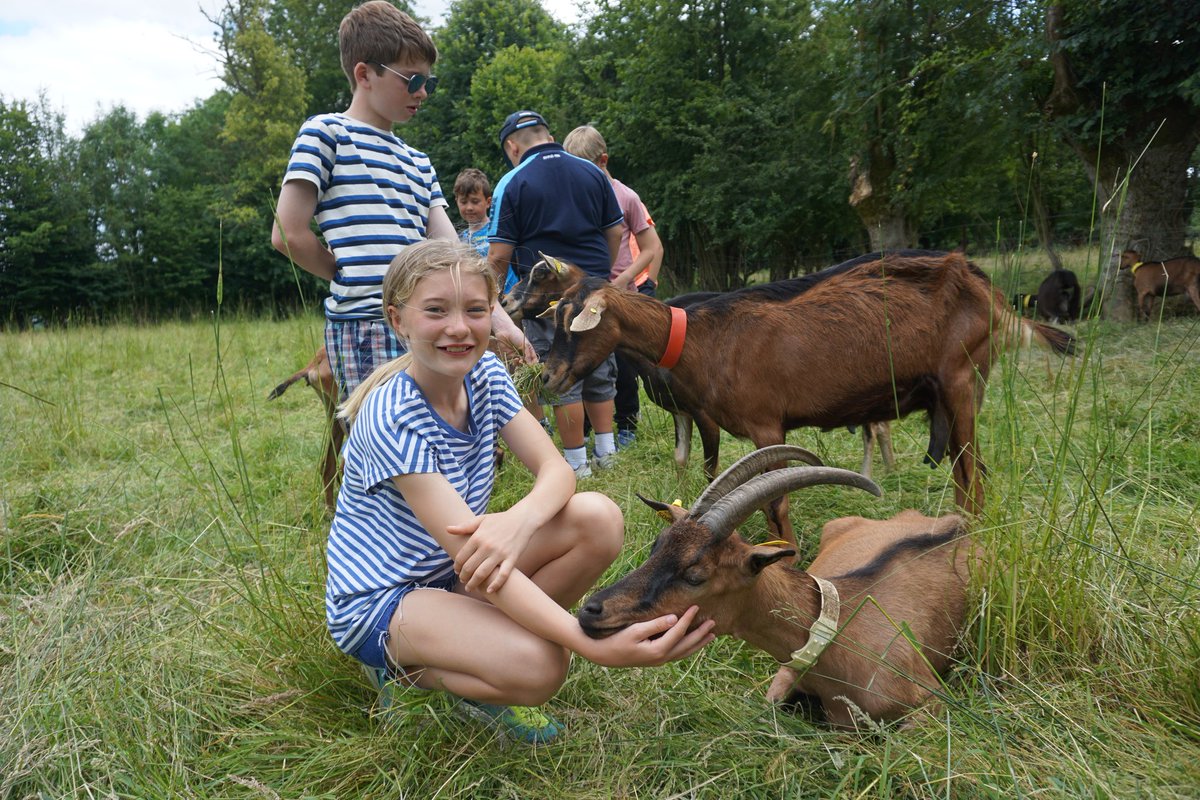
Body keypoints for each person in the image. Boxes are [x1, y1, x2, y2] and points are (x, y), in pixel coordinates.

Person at [328, 239, 714, 745]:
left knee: (598, 518)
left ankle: (475, 648)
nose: (459, 328)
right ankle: (404, 673)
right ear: (397, 319)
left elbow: (557, 470)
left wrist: (520, 520)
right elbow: (479, 565)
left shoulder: (485, 373)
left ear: (493, 312)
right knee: (541, 667)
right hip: (383, 601)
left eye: (475, 310)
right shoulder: (391, 417)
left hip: (454, 571)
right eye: (436, 311)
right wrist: (594, 646)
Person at [270, 1, 529, 401]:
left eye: (429, 82)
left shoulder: (418, 162)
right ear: (364, 74)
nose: (423, 92)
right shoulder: (325, 133)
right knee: (383, 441)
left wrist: (502, 322)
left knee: (443, 427)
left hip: (428, 321)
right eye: (412, 80)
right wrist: (345, 274)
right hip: (365, 325)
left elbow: (454, 254)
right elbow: (288, 233)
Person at [487, 111, 623, 478]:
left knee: (560, 372)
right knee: (598, 365)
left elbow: (499, 254)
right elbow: (615, 232)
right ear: (549, 135)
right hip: (596, 290)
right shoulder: (592, 171)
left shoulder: (513, 181)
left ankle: (576, 464)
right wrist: (598, 276)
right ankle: (607, 455)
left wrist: (488, 300)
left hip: (546, 298)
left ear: (512, 146)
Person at [562, 125, 664, 449]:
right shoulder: (571, 200)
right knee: (586, 361)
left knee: (622, 366)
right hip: (585, 294)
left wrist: (623, 279)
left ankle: (627, 426)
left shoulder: (626, 196)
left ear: (603, 161)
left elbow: (651, 247)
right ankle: (589, 429)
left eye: (584, 169)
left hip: (621, 296)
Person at [453, 167, 492, 258]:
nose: (469, 208)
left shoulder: (496, 232)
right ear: (457, 202)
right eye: (463, 202)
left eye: (475, 202)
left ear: (488, 202)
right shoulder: (459, 239)